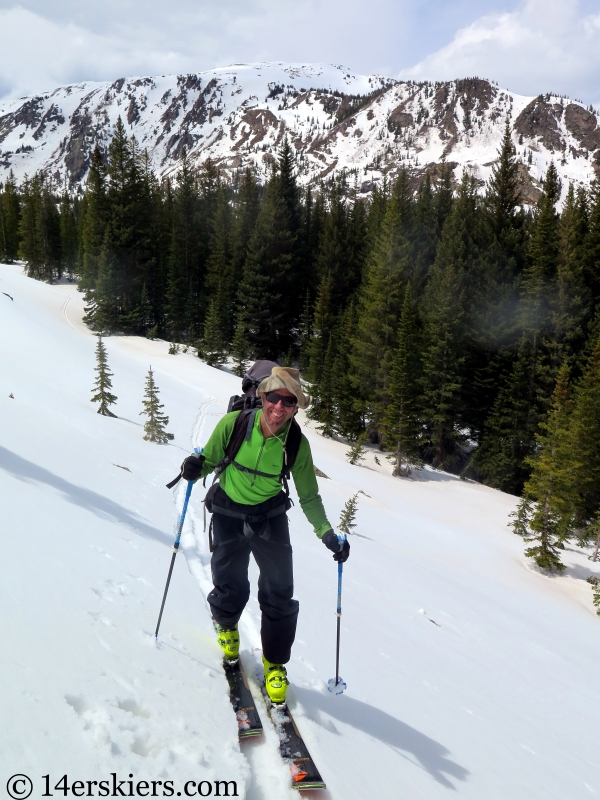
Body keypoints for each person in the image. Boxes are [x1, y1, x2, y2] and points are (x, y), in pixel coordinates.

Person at [180, 366, 349, 706]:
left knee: (279, 593)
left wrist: (327, 534)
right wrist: (194, 466)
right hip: (228, 510)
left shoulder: (296, 444)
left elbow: (310, 497)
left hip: (269, 517)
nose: (279, 407)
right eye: (274, 398)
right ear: (263, 396)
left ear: (295, 407)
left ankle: (275, 665)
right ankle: (227, 627)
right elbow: (210, 458)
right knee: (230, 581)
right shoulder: (234, 425)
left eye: (289, 401)